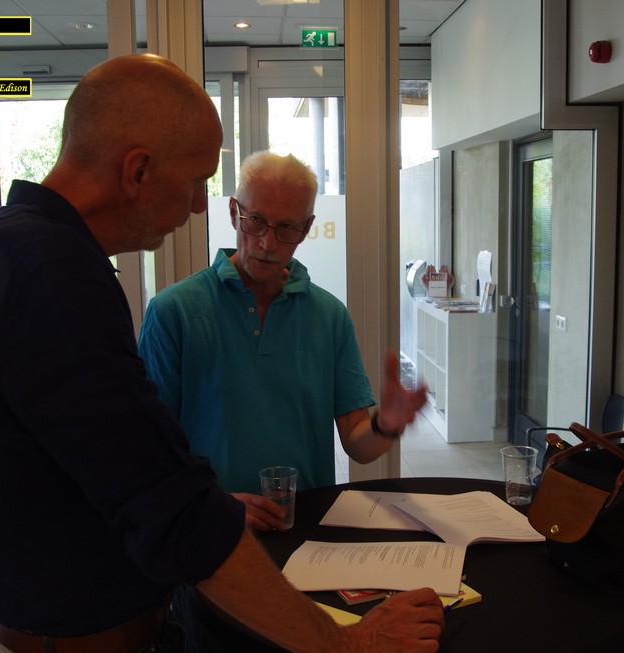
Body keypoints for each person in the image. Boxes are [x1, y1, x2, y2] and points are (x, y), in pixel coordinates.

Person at [0, 54, 444, 653]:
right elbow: (169, 505)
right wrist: (344, 645)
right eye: (195, 182)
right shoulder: (54, 277)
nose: (196, 207)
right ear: (138, 170)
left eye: (287, 227)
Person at [138, 151, 428, 531]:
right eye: (256, 221)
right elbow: (148, 451)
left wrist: (386, 424)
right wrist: (214, 506)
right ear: (234, 213)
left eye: (287, 227)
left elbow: (358, 443)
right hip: (210, 530)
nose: (268, 243)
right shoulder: (173, 313)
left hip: (305, 527)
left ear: (306, 229)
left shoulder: (329, 316)